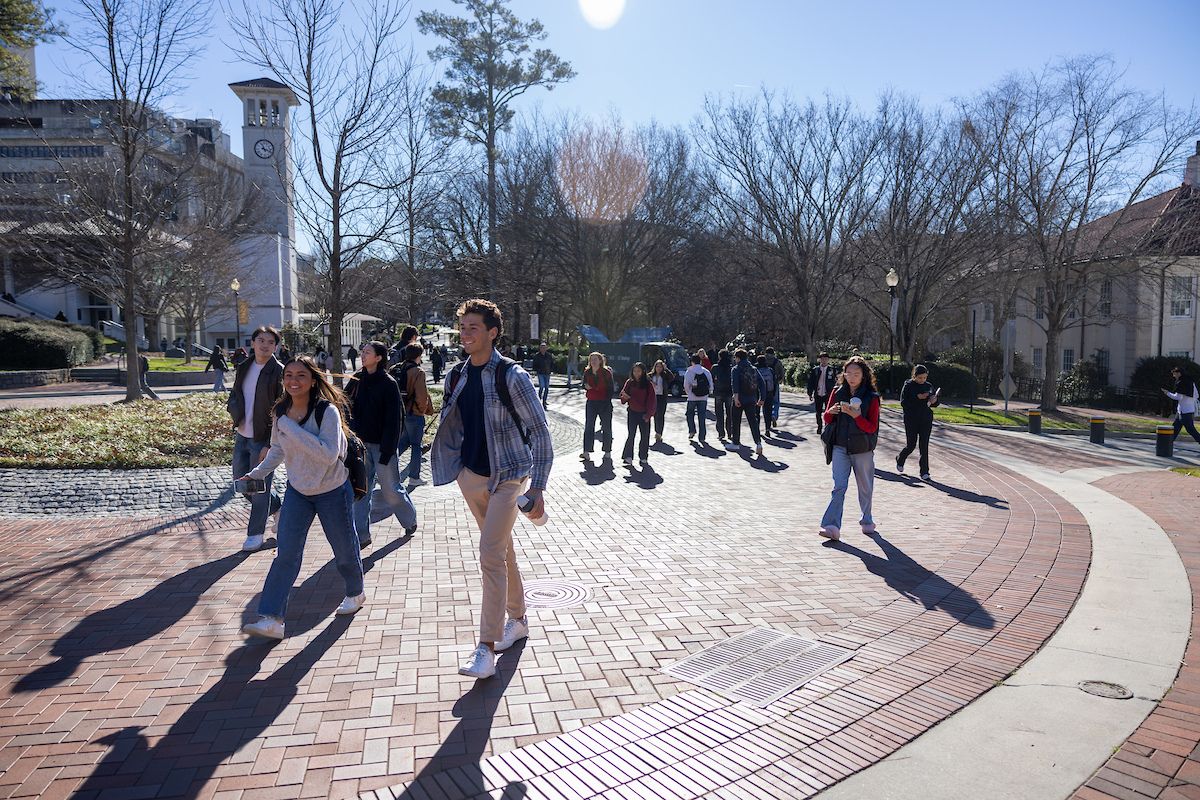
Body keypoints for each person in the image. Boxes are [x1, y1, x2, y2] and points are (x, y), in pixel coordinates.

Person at [430, 298, 553, 679]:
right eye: (462, 328)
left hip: (509, 476)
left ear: (492, 332)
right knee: (502, 550)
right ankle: (517, 620)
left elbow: (541, 432)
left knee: (488, 553)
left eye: (473, 328)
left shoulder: (512, 376)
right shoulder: (458, 375)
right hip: (471, 477)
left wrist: (540, 487)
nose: (465, 334)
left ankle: (485, 648)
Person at [239, 356, 366, 639]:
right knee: (287, 554)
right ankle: (272, 618)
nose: (293, 381)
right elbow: (277, 448)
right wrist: (257, 474)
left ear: (312, 381)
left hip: (332, 490)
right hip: (298, 491)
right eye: (289, 375)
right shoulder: (280, 412)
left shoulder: (326, 412)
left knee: (344, 549)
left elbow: (327, 454)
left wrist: (292, 429)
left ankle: (355, 592)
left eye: (301, 376)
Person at [346, 341, 418, 548]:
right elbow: (344, 403)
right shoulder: (357, 379)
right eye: (363, 352)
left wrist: (388, 449)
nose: (363, 355)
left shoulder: (388, 383)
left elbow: (395, 419)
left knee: (391, 490)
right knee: (361, 490)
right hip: (360, 445)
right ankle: (362, 536)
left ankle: (409, 520)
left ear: (379, 357)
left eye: (367, 352)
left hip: (382, 446)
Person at [228, 326, 285, 552]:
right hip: (242, 435)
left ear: (276, 346)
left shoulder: (278, 371)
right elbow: (236, 394)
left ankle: (255, 535)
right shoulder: (244, 367)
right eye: (261, 340)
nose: (265, 345)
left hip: (263, 439)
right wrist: (233, 410)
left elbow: (281, 409)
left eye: (270, 342)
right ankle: (279, 507)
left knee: (259, 487)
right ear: (252, 343)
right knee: (241, 484)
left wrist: (271, 444)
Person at [819, 356, 881, 541]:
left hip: (862, 449)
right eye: (849, 373)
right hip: (840, 446)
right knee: (839, 486)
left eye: (857, 374)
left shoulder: (872, 397)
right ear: (844, 374)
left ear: (864, 375)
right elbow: (828, 419)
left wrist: (856, 416)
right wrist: (829, 413)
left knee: (865, 487)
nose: (852, 377)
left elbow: (872, 428)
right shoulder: (837, 392)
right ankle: (831, 525)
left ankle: (866, 519)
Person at [395, 343, 435, 485]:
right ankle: (414, 477)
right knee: (416, 445)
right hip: (414, 413)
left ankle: (386, 471)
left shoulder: (397, 369)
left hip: (399, 413)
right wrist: (423, 410)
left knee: (402, 442)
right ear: (419, 355)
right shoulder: (418, 372)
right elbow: (421, 396)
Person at [897, 364, 940, 480]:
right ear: (914, 376)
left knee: (924, 445)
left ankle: (924, 472)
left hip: (925, 419)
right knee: (911, 445)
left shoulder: (929, 386)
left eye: (925, 378)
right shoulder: (908, 385)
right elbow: (903, 403)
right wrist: (918, 397)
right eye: (920, 378)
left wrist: (934, 400)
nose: (922, 380)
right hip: (911, 419)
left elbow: (935, 403)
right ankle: (900, 458)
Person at [619, 362, 656, 466]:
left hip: (644, 413)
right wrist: (625, 397)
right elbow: (623, 397)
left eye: (638, 371)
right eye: (634, 371)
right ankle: (628, 456)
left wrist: (649, 415)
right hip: (632, 412)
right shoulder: (629, 382)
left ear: (643, 371)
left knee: (644, 436)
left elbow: (651, 400)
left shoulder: (648, 384)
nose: (636, 373)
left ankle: (643, 456)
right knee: (631, 435)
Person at [729, 348, 765, 455]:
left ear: (738, 358)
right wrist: (762, 398)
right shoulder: (753, 369)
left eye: (735, 357)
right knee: (753, 422)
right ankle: (758, 443)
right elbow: (762, 383)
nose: (735, 360)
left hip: (739, 399)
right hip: (751, 399)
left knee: (736, 421)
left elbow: (735, 384)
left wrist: (736, 398)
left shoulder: (736, 369)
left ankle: (735, 443)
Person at [581, 352, 615, 461]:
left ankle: (607, 451)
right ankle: (586, 451)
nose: (593, 361)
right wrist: (586, 387)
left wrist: (606, 402)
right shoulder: (587, 372)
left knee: (606, 427)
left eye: (595, 359)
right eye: (591, 359)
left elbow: (611, 389)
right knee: (589, 426)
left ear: (600, 361)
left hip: (604, 403)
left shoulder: (606, 373)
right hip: (591, 402)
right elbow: (583, 384)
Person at [1164, 366, 1200, 446]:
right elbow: (1196, 395)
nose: (1174, 376)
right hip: (1186, 410)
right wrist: (1189, 400)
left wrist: (1167, 393)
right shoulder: (1191, 382)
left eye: (1174, 374)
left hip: (1184, 411)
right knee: (1175, 428)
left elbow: (1178, 397)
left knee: (1190, 430)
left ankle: (1167, 444)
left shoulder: (1181, 383)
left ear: (1179, 373)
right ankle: (1167, 444)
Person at [684, 353, 713, 444]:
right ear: (700, 361)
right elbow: (710, 384)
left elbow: (686, 385)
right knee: (702, 417)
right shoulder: (706, 371)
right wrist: (709, 393)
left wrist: (689, 393)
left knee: (689, 414)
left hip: (692, 397)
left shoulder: (689, 371)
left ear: (692, 362)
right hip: (703, 397)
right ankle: (702, 437)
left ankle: (692, 430)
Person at [807, 353, 837, 434]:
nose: (824, 360)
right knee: (818, 412)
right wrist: (810, 393)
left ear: (828, 360)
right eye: (822, 359)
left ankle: (827, 426)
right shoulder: (815, 370)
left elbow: (836, 382)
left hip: (828, 394)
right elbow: (810, 382)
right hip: (818, 393)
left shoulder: (832, 370)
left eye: (826, 359)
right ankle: (819, 426)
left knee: (828, 411)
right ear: (820, 359)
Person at [648, 359, 675, 444]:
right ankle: (656, 431)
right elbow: (645, 381)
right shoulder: (651, 375)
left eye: (660, 367)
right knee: (654, 415)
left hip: (662, 397)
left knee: (660, 415)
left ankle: (659, 433)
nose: (658, 368)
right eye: (657, 366)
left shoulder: (665, 375)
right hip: (653, 397)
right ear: (655, 367)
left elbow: (672, 377)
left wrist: (666, 369)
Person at [711, 349, 734, 442]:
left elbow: (711, 379)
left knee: (719, 413)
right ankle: (730, 432)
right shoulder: (731, 367)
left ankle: (721, 433)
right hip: (729, 392)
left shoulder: (715, 367)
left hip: (718, 392)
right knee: (730, 413)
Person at [756, 354, 779, 435]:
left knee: (757, 412)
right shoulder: (770, 370)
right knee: (768, 412)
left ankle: (757, 429)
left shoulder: (755, 370)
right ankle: (767, 429)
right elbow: (775, 382)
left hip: (757, 393)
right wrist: (773, 393)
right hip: (769, 392)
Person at [765, 347, 785, 428]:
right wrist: (780, 380)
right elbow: (782, 373)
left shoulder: (763, 360)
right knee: (776, 402)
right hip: (774, 384)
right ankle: (774, 415)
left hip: (764, 385)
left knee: (766, 403)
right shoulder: (777, 361)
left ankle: (767, 419)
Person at [531, 342, 554, 408]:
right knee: (541, 386)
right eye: (542, 348)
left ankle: (544, 401)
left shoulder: (549, 356)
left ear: (546, 348)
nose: (543, 349)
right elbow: (534, 365)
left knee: (546, 388)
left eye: (544, 348)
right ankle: (538, 399)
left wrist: (551, 370)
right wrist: (536, 371)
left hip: (547, 373)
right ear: (540, 348)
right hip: (540, 373)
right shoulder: (537, 356)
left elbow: (552, 363)